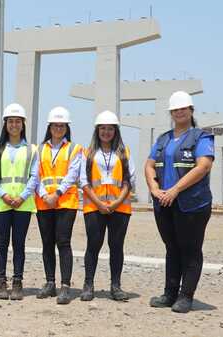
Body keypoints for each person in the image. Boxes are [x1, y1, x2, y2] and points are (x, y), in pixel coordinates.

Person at [145, 91, 214, 313]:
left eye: (183, 108)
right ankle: (170, 293)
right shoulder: (163, 139)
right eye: (175, 109)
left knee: (190, 249)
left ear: (191, 110)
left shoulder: (201, 137)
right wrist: (155, 188)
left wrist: (175, 190)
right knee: (171, 248)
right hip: (165, 203)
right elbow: (149, 165)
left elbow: (203, 166)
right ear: (171, 113)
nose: (179, 112)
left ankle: (186, 296)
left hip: (192, 204)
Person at [79, 110, 135, 302]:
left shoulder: (125, 152)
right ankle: (88, 285)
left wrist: (116, 202)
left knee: (116, 246)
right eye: (102, 128)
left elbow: (129, 180)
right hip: (94, 208)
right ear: (97, 130)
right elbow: (84, 181)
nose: (106, 132)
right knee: (93, 246)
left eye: (110, 128)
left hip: (119, 209)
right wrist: (99, 203)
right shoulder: (88, 153)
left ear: (116, 131)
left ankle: (115, 286)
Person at [0, 103, 39, 301]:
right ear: (5, 124)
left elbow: (34, 176)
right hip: (2, 204)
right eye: (10, 121)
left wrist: (22, 196)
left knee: (19, 245)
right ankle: (1, 283)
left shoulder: (31, 149)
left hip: (23, 205)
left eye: (17, 121)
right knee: (1, 245)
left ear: (23, 124)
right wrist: (4, 195)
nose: (14, 125)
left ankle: (17, 283)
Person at [34, 106, 82, 305]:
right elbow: (35, 175)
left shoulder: (74, 148)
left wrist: (57, 193)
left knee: (63, 242)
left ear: (66, 127)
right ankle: (50, 282)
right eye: (55, 125)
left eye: (61, 125)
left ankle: (65, 286)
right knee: (47, 243)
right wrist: (46, 195)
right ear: (49, 126)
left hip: (65, 202)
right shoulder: (39, 149)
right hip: (44, 202)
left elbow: (73, 174)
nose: (58, 128)